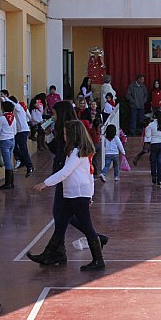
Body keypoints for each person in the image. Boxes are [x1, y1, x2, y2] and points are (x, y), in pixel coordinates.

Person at [27, 101, 108, 265]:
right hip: (68, 184)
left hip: (71, 185)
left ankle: (96, 251)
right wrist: (49, 134)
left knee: (71, 219)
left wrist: (45, 183)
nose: (52, 117)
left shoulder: (74, 142)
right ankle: (56, 251)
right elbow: (56, 151)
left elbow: (67, 169)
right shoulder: (69, 136)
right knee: (62, 217)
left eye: (55, 114)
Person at [1, 92, 34, 177]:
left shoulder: (19, 107)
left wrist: (5, 98)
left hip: (23, 130)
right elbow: (29, 116)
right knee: (14, 146)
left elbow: (14, 105)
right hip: (19, 131)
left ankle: (29, 166)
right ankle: (21, 159)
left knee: (23, 148)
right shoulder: (16, 110)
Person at [0, 100, 17, 190]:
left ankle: (8, 183)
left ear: (3, 108)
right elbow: (15, 131)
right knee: (9, 161)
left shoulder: (2, 118)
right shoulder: (13, 118)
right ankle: (11, 182)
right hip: (12, 140)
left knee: (7, 162)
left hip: (4, 140)